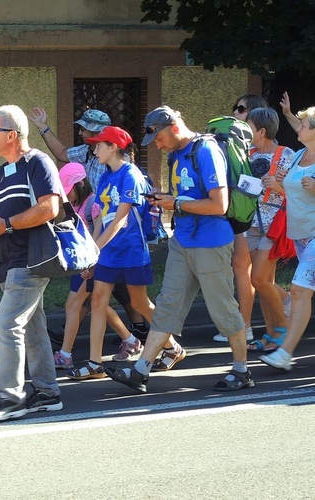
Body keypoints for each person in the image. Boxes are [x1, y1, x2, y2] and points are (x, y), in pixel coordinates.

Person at [106, 106, 253, 393]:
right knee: (167, 305)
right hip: (183, 241)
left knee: (222, 309)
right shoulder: (176, 154)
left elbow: (219, 205)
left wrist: (177, 204)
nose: (157, 146)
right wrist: (165, 199)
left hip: (211, 242)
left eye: (158, 139)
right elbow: (183, 195)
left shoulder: (206, 151)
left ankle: (242, 370)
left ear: (173, 127)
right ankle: (141, 371)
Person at [29, 106, 150, 341]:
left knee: (129, 296)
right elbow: (63, 153)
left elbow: (122, 217)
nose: (83, 134)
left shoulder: (126, 173)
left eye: (86, 130)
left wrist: (93, 249)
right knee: (97, 295)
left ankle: (148, 335)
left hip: (112, 234)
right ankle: (115, 345)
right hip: (98, 226)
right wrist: (44, 128)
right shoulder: (91, 157)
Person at [0, 105, 63, 422]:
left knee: (6, 324)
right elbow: (4, 217)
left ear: (12, 135)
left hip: (32, 259)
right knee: (33, 328)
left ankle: (11, 397)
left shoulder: (38, 162)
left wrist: (6, 224)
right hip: (8, 259)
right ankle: (48, 393)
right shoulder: (1, 173)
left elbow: (49, 208)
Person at [68, 126, 157, 380]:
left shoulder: (131, 175)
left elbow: (120, 219)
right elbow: (100, 220)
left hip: (130, 250)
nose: (94, 150)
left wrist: (94, 251)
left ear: (114, 147)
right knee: (97, 300)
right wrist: (91, 252)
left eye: (99, 145)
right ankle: (95, 363)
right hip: (108, 251)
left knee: (140, 303)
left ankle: (171, 346)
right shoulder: (105, 176)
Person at [53, 162, 136, 371]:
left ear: (80, 184)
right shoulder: (75, 206)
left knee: (73, 305)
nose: (66, 195)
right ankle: (130, 339)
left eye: (68, 190)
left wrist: (91, 262)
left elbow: (100, 233)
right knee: (98, 304)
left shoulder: (94, 205)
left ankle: (65, 355)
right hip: (83, 263)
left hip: (92, 264)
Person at [259, 106, 315, 372]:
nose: (298, 129)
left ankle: (285, 353)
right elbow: (293, 194)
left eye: (303, 125)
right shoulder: (299, 156)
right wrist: (276, 185)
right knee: (302, 292)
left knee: (299, 291)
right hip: (299, 236)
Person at [212, 94, 268, 344]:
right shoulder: (242, 146)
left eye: (242, 109)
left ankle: (244, 327)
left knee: (244, 271)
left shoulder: (254, 150)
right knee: (249, 273)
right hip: (247, 216)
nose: (236, 112)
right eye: (235, 107)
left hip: (253, 218)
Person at [244, 107, 295, 352]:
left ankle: (284, 323)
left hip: (275, 225)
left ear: (262, 131)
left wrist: (278, 186)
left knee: (259, 279)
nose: (245, 132)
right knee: (265, 283)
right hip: (251, 224)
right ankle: (270, 334)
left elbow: (300, 192)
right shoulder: (247, 153)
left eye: (249, 128)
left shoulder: (287, 155)